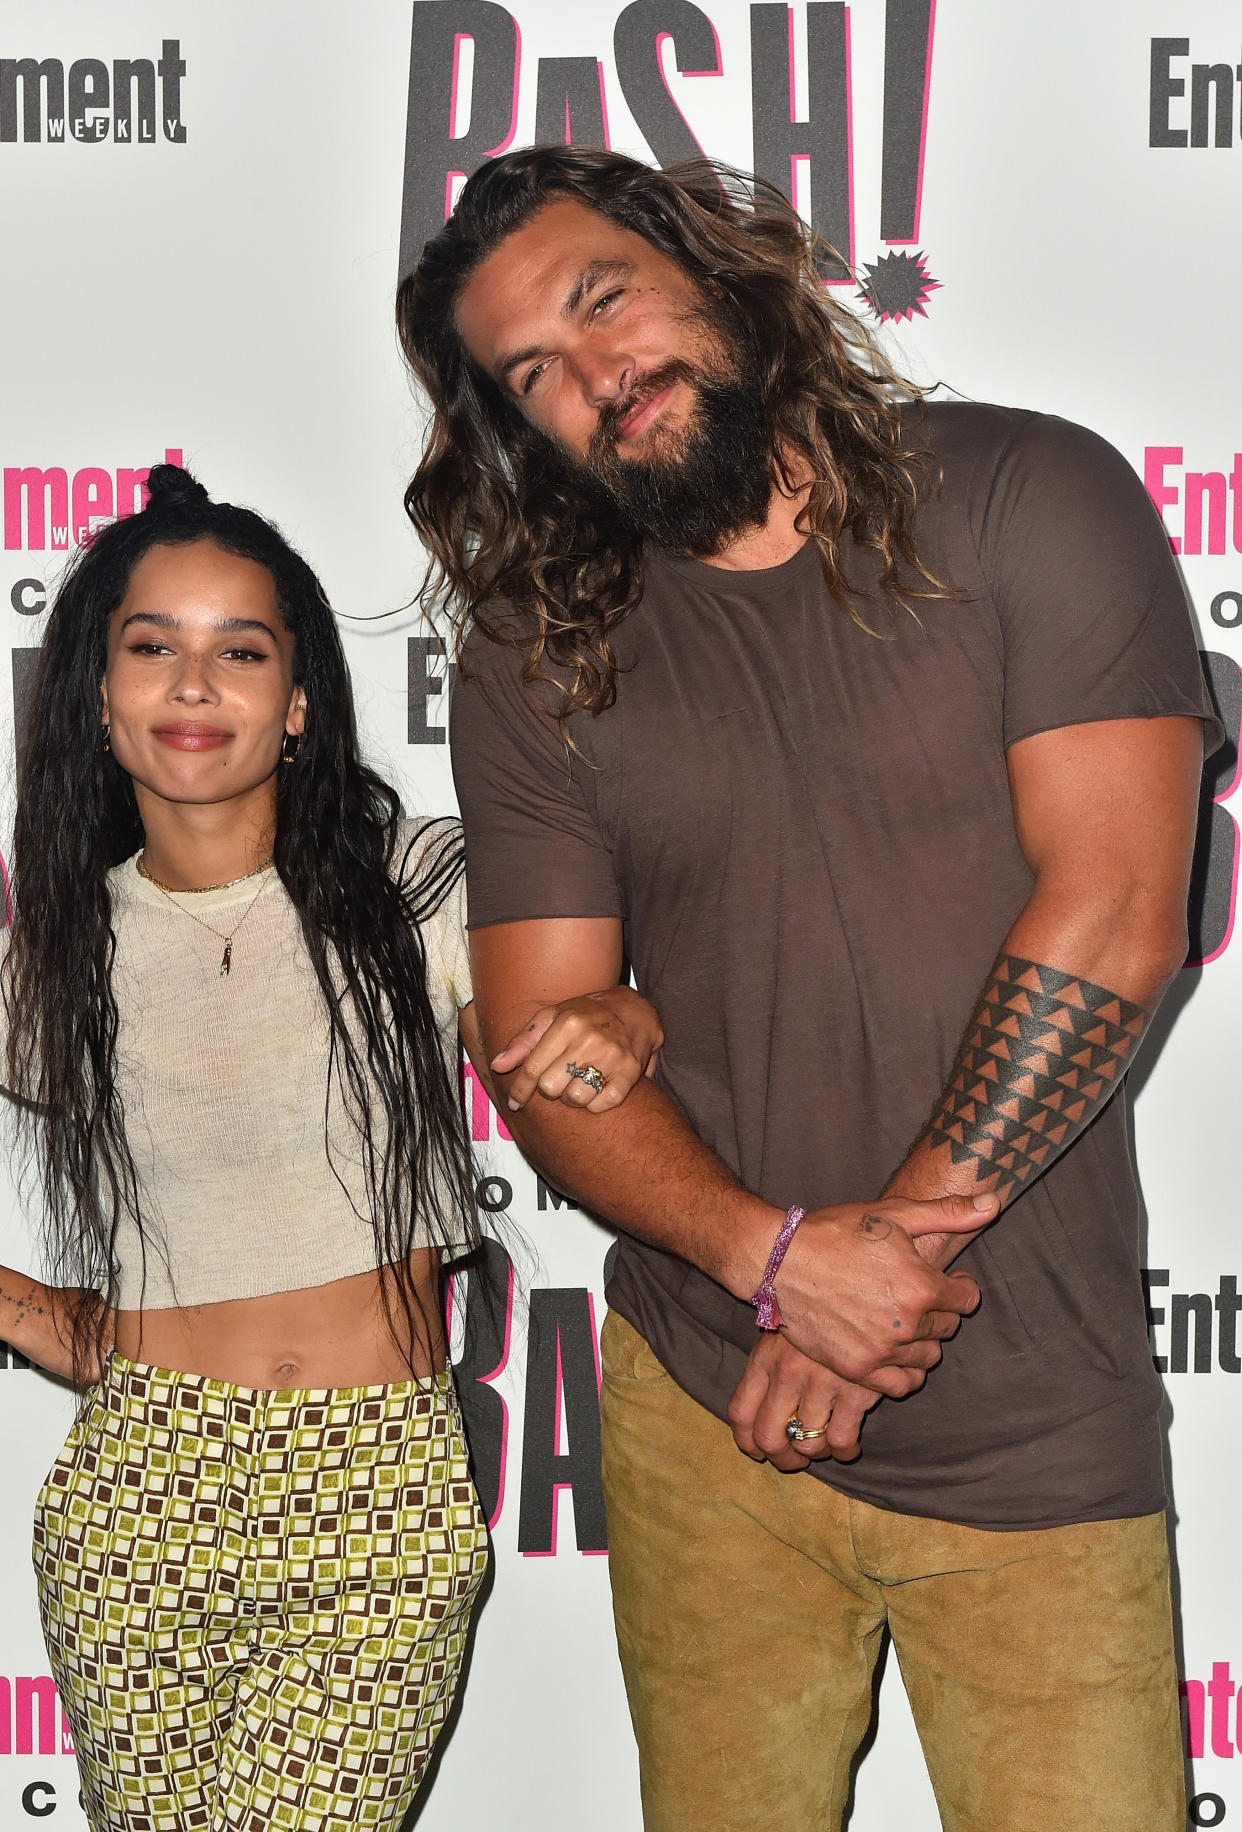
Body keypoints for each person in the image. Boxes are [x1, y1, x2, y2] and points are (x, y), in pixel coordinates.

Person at [396, 145, 1220, 1832]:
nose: (590, 377)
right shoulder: (538, 652)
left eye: (601, 299)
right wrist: (771, 1266)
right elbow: (544, 1055)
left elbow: (1118, 905)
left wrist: (854, 1299)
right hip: (710, 1426)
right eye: (528, 373)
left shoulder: (1024, 497)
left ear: (717, 263)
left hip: (1029, 1430)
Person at [0, 463, 662, 1832]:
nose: (196, 686)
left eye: (240, 650)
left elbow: (540, 1023)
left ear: (296, 703)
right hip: (143, 1490)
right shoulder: (53, 958)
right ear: (99, 698)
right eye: (152, 648)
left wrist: (612, 1012)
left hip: (376, 1482)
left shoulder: (408, 880)